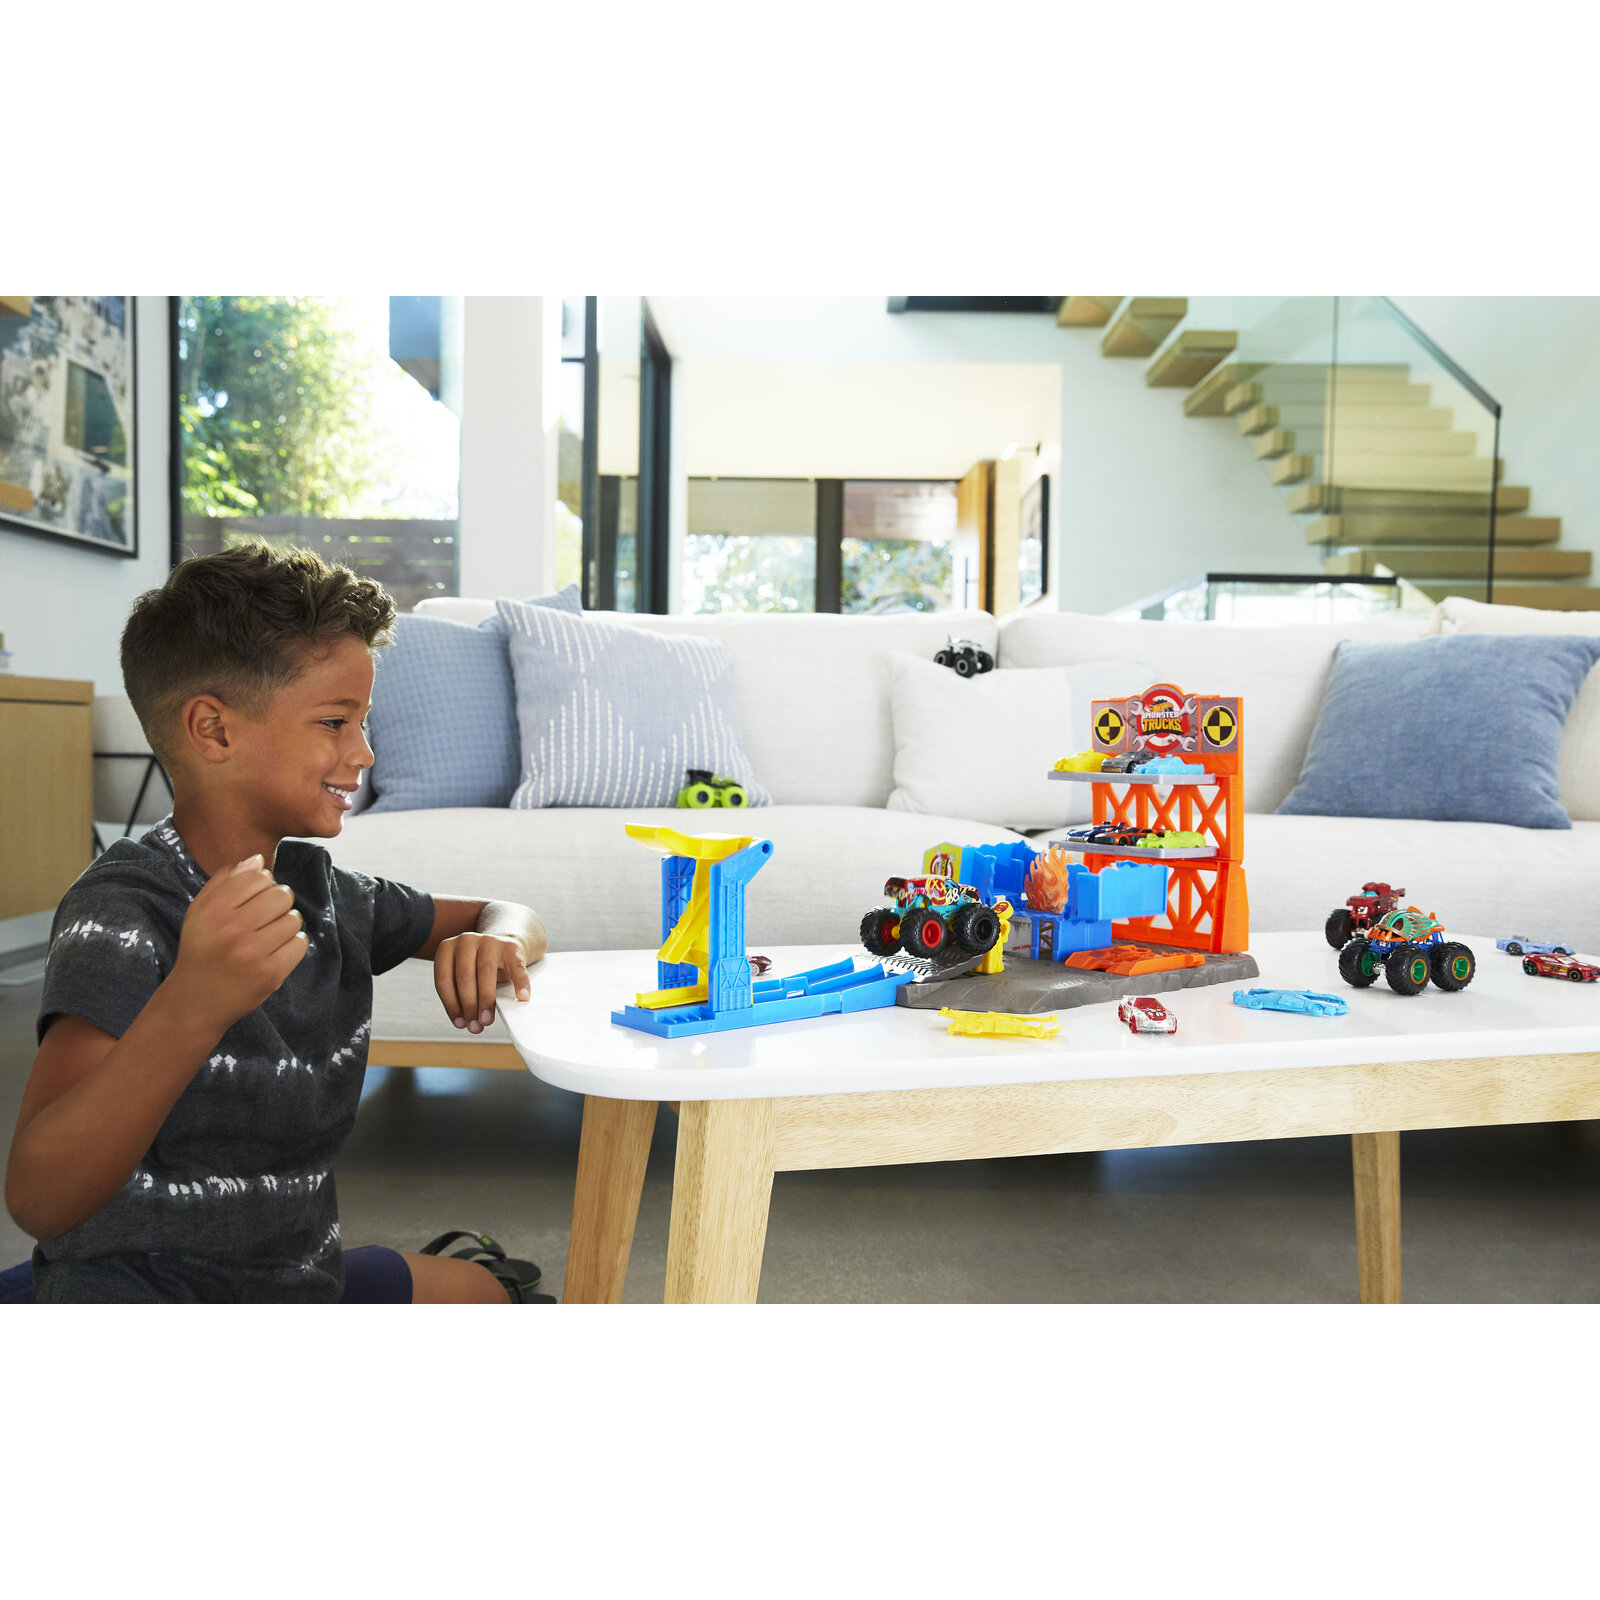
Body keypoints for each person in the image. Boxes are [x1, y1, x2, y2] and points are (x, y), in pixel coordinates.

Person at [3, 542, 548, 1303]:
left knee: (482, 1293)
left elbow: (503, 912)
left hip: (294, 1282)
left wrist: (499, 938)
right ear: (214, 731)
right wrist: (193, 1004)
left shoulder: (325, 893)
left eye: (361, 722)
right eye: (335, 722)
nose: (364, 752)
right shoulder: (123, 912)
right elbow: (39, 1198)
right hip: (142, 1303)